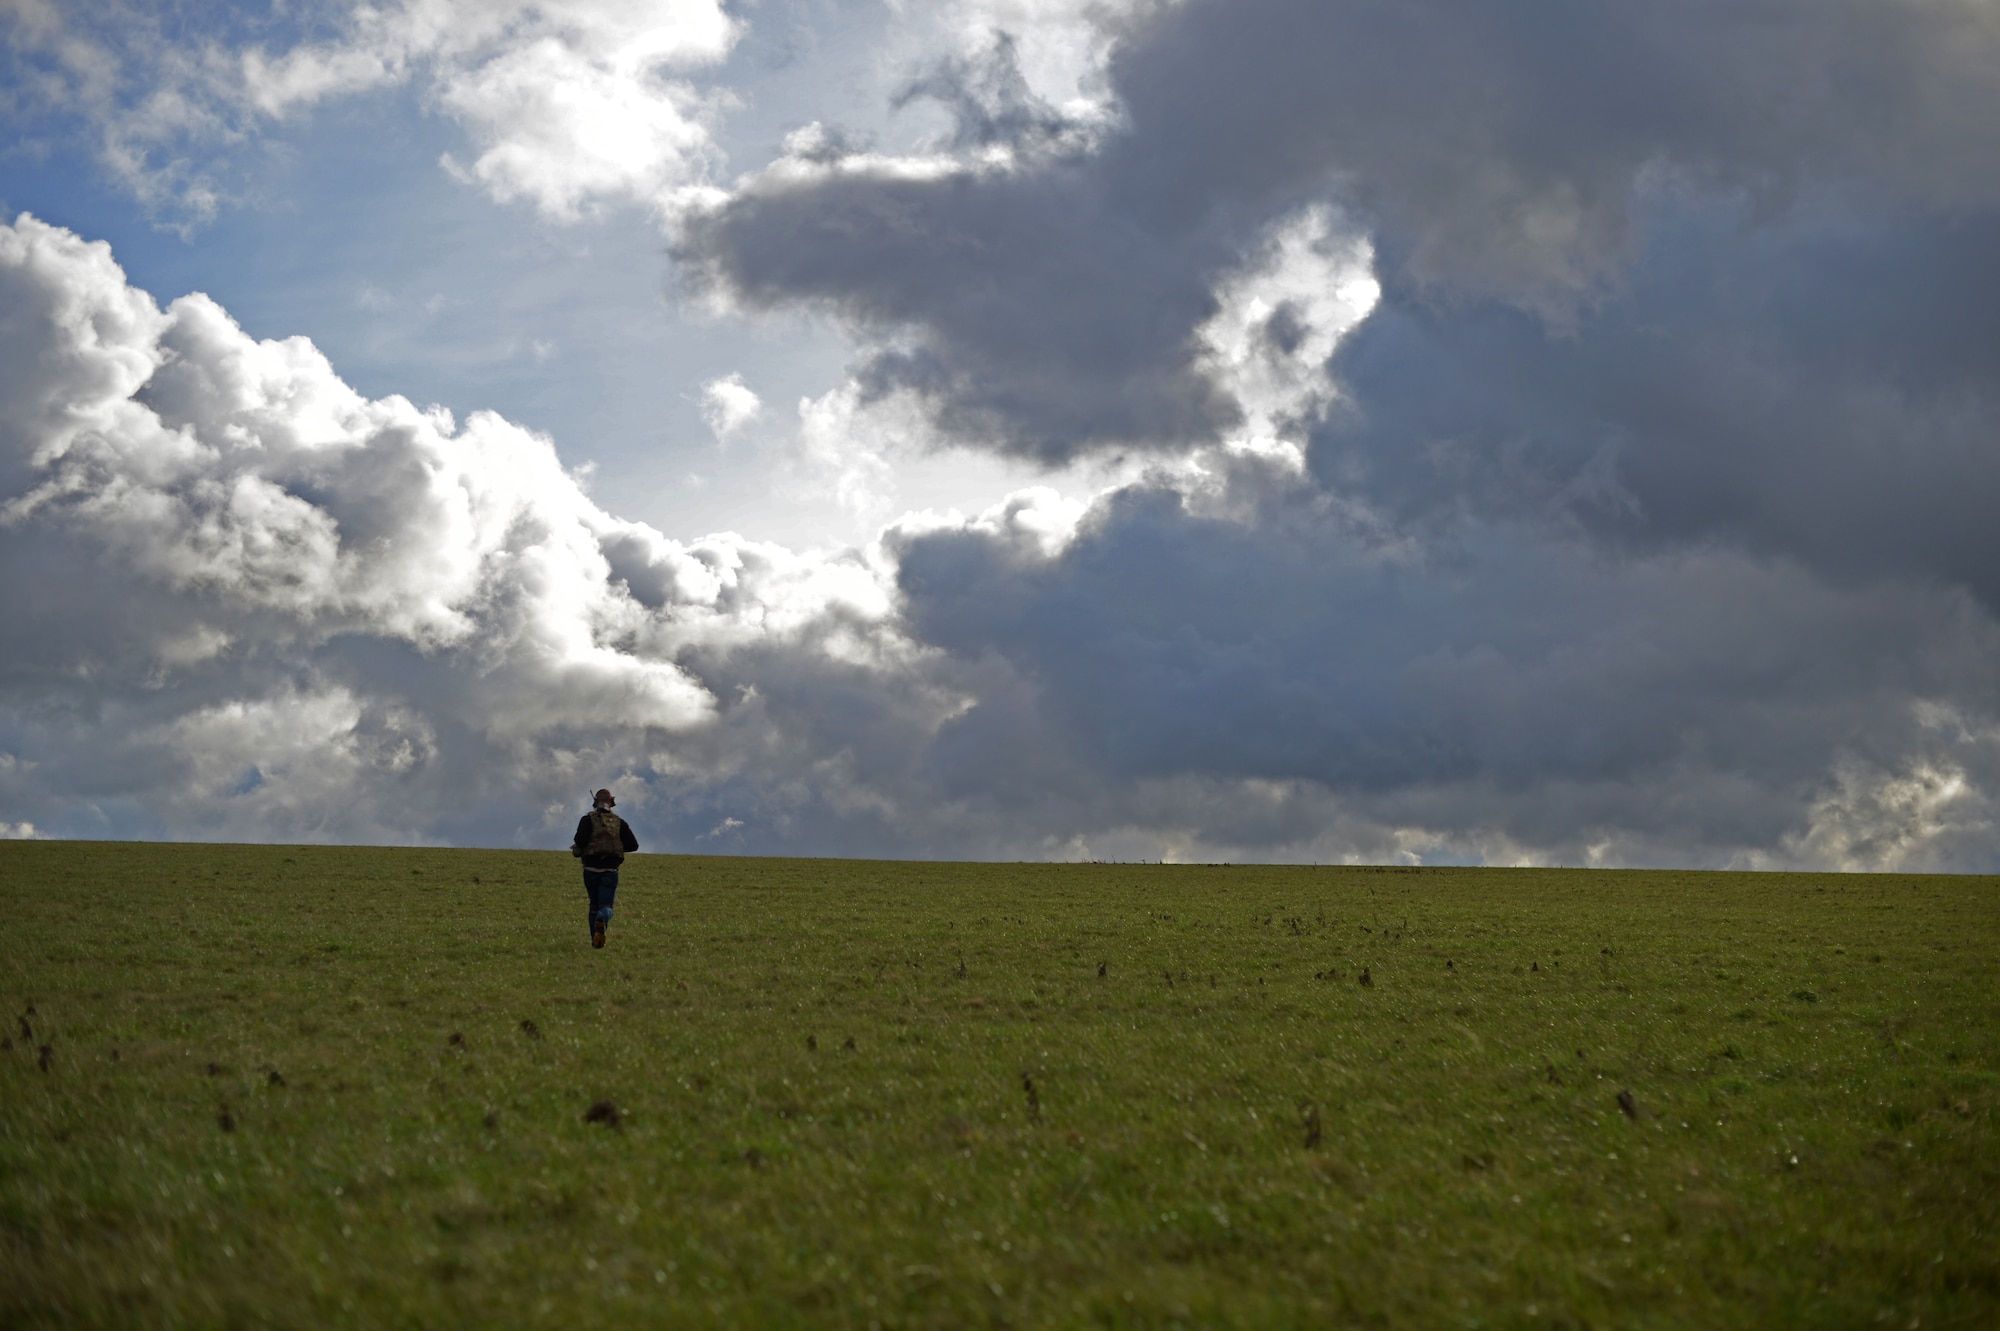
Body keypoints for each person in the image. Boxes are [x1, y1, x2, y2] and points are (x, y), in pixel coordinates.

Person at [571, 788, 638, 948]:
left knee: (593, 905)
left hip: (590, 869)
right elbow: (633, 845)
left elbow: (580, 840)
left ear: (595, 802)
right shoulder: (619, 822)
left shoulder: (587, 819)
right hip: (611, 869)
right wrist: (616, 848)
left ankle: (595, 940)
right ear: (611, 803)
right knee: (606, 906)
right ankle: (603, 919)